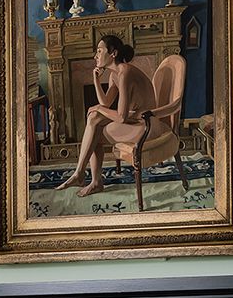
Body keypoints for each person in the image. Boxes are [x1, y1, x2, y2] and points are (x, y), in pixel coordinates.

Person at [53, 34, 156, 198]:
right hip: (134, 117)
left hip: (146, 123)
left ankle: (89, 179)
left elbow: (121, 117)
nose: (96, 56)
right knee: (94, 119)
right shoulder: (115, 74)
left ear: (113, 53)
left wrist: (99, 108)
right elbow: (106, 102)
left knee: (95, 129)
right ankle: (85, 176)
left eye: (100, 51)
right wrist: (95, 80)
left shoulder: (125, 72)